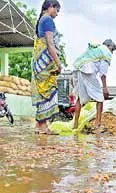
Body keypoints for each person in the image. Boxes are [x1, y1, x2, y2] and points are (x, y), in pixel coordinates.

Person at [72, 39, 116, 132]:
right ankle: (97, 124)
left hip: (78, 69)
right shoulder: (106, 52)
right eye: (112, 50)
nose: (112, 52)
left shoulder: (96, 49)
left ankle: (75, 124)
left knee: (80, 98)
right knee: (100, 98)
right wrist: (105, 88)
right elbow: (103, 73)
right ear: (109, 46)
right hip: (88, 70)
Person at [31, 0, 62, 135]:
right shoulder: (48, 20)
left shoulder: (41, 20)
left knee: (42, 91)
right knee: (47, 91)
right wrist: (58, 63)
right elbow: (50, 44)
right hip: (45, 64)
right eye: (57, 10)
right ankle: (44, 127)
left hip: (39, 63)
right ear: (50, 7)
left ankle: (39, 125)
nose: (57, 13)